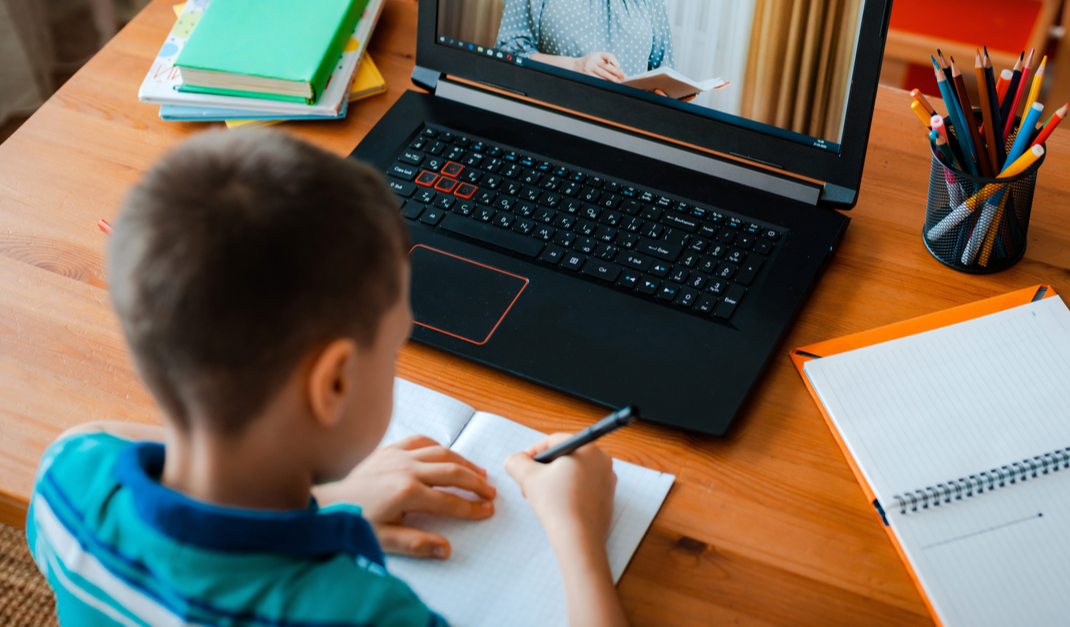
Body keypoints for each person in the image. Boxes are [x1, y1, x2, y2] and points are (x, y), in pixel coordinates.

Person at [25, 130, 629, 627]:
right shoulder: (362, 614)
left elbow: (101, 431)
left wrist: (327, 502)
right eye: (395, 346)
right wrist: (578, 530)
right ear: (333, 384)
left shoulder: (68, 481)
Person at [496, 0, 673, 83]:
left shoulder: (653, 3)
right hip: (552, 119)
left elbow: (665, 72)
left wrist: (669, 94)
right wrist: (574, 67)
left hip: (629, 132)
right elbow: (507, 56)